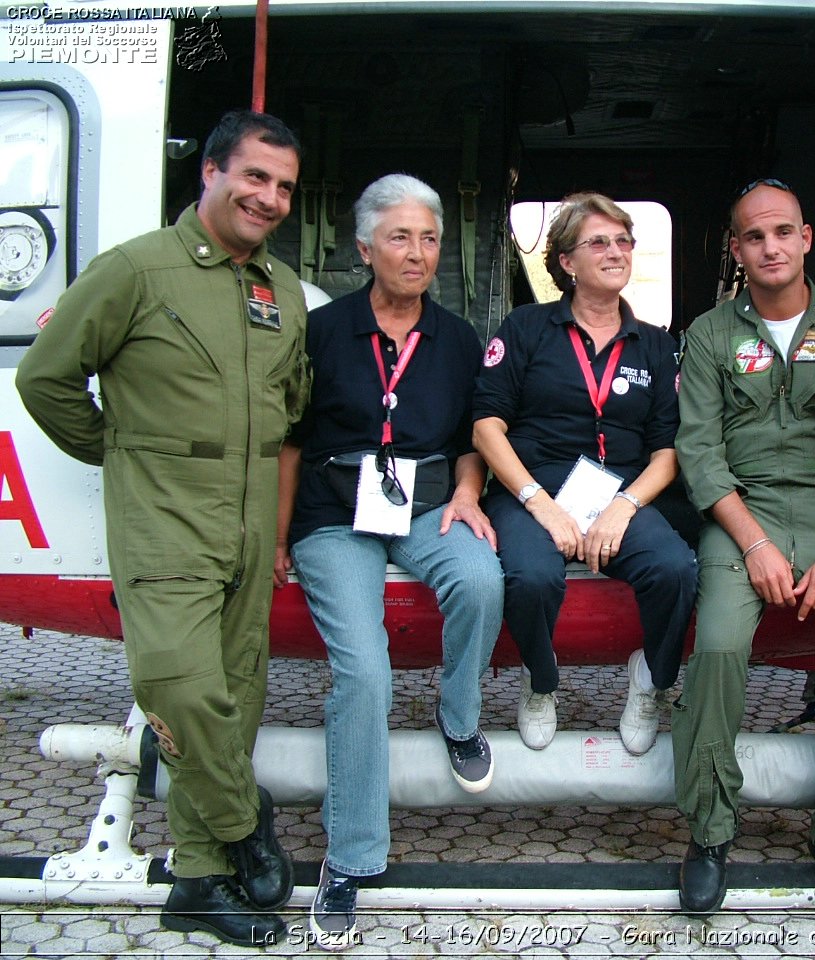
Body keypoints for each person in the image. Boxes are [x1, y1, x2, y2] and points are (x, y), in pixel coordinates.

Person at [15, 110, 307, 947]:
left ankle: (198, 878)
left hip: (250, 515)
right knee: (179, 685)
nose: (270, 198)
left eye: (284, 186)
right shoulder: (135, 269)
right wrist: (118, 449)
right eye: (255, 176)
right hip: (166, 515)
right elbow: (46, 377)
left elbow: (292, 406)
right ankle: (244, 818)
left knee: (235, 693)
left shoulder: (280, 289)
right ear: (211, 173)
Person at [275, 174, 504, 951]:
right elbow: (292, 441)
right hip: (335, 512)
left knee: (480, 579)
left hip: (428, 501)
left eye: (430, 238)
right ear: (365, 247)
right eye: (400, 237)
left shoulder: (458, 336)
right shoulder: (323, 330)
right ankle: (350, 858)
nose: (418, 252)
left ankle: (459, 717)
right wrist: (279, 536)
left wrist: (470, 495)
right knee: (364, 671)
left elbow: (474, 438)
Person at [672, 180, 815, 926]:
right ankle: (709, 834)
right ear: (736, 252)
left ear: (806, 239)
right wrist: (757, 544)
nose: (769, 247)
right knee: (717, 647)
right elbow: (700, 453)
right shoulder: (710, 335)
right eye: (752, 236)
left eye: (782, 232)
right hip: (745, 512)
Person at [472, 192, 697, 755]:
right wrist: (539, 503)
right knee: (531, 577)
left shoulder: (655, 345)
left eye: (623, 241)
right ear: (567, 263)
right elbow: (485, 429)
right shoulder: (525, 328)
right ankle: (541, 683)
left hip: (619, 491)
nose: (615, 251)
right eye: (599, 242)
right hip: (532, 487)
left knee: (675, 570)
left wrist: (625, 507)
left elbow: (667, 452)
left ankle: (652, 678)